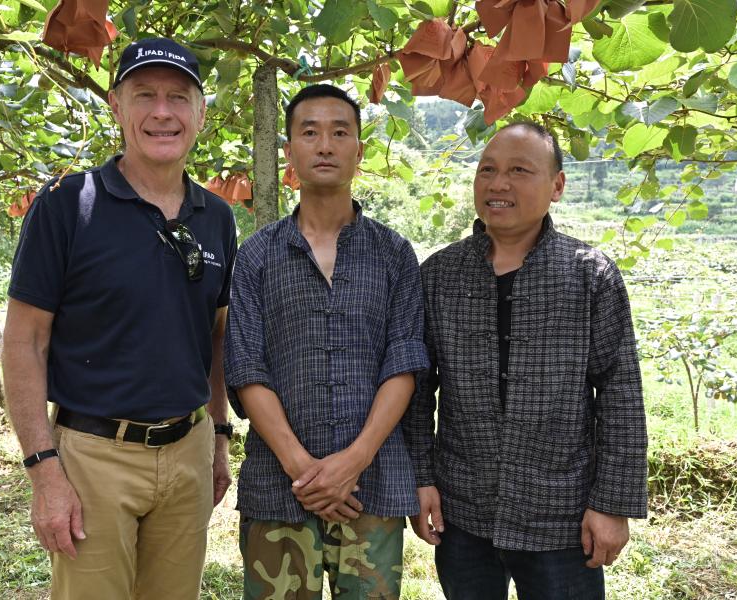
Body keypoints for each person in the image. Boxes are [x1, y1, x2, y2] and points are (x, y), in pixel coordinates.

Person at [1, 37, 237, 600]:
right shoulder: (68, 203)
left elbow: (217, 337)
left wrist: (220, 438)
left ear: (200, 114)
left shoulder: (217, 217)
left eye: (179, 98)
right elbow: (25, 342)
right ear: (116, 105)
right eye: (144, 95)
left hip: (188, 451)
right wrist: (44, 470)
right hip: (94, 456)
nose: (162, 112)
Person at [403, 122, 648, 599]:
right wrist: (421, 478)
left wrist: (612, 506)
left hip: (562, 514)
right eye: (488, 170)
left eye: (519, 170)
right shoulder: (439, 274)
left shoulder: (588, 275)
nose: (498, 184)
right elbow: (416, 388)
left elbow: (620, 393)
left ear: (556, 186)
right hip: (464, 509)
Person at [223, 84, 429, 600]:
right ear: (289, 150)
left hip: (372, 488)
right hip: (279, 489)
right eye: (309, 132)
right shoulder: (257, 257)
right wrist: (306, 473)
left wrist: (352, 462)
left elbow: (402, 365)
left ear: (359, 151)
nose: (325, 145)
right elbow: (247, 368)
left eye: (340, 132)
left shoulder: (394, 254)